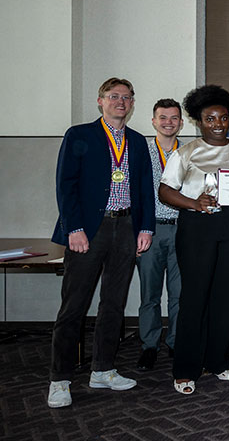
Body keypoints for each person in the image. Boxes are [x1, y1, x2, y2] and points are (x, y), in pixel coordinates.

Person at [48, 77, 155, 408]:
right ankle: (60, 379)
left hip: (125, 227)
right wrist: (73, 227)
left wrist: (146, 228)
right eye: (113, 96)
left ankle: (103, 369)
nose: (120, 102)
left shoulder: (137, 142)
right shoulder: (79, 135)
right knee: (74, 306)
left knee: (114, 304)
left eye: (126, 97)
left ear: (132, 103)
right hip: (88, 230)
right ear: (100, 101)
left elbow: (145, 190)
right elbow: (65, 185)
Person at [159, 85, 229, 395]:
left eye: (223, 118)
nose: (217, 124)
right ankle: (186, 367)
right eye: (209, 118)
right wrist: (193, 203)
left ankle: (218, 361)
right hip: (197, 227)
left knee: (225, 296)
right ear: (199, 121)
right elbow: (165, 191)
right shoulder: (185, 152)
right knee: (195, 296)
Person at [137, 99, 184, 372]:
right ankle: (149, 345)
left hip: (182, 230)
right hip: (150, 230)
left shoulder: (189, 152)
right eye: (163, 118)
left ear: (181, 122)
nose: (168, 122)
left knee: (179, 294)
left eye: (174, 118)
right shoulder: (141, 151)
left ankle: (176, 341)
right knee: (150, 294)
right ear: (153, 121)